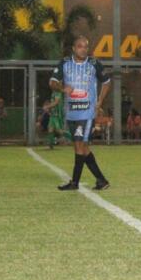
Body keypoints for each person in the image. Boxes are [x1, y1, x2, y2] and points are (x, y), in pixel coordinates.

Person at [50, 36, 111, 191]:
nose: (84, 49)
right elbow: (52, 82)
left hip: (86, 112)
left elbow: (106, 82)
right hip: (71, 113)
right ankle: (101, 180)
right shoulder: (64, 63)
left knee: (79, 145)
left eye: (86, 46)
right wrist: (62, 88)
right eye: (80, 46)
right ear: (73, 48)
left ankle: (74, 183)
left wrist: (99, 102)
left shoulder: (94, 63)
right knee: (83, 148)